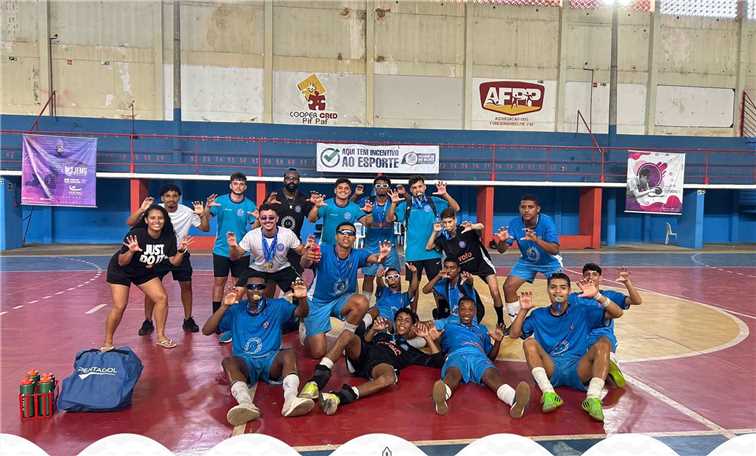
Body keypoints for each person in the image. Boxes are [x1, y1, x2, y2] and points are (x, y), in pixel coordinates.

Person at [508, 273, 624, 422]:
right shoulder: (538, 314)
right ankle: (549, 393)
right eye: (553, 287)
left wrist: (597, 296)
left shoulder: (581, 311)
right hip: (551, 367)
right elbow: (513, 334)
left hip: (579, 368)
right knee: (529, 343)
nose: (557, 291)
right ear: (548, 290)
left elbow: (618, 313)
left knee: (603, 343)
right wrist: (523, 311)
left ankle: (593, 398)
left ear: (569, 291)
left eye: (563, 288)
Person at [297, 222, 392, 399]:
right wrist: (306, 255)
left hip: (341, 299)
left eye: (350, 233)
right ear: (337, 236)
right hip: (318, 301)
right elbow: (305, 262)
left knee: (362, 302)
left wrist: (383, 257)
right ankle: (304, 324)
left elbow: (373, 258)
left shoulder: (357, 254)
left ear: (355, 238)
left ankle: (347, 339)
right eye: (343, 232)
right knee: (317, 352)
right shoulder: (323, 250)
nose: (346, 236)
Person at [201, 276, 314, 425]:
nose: (256, 290)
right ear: (245, 290)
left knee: (289, 354)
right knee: (228, 362)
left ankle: (291, 399)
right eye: (251, 287)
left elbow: (302, 313)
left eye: (260, 287)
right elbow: (207, 330)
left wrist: (302, 299)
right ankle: (245, 404)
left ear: (266, 289)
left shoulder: (277, 306)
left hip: (270, 359)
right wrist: (224, 306)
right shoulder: (236, 309)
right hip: (245, 362)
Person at [318, 309, 446, 415]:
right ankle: (318, 377)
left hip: (379, 366)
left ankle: (338, 397)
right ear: (395, 322)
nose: (402, 323)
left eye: (407, 321)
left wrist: (427, 337)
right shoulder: (383, 335)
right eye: (399, 319)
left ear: (413, 326)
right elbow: (365, 342)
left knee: (390, 377)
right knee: (348, 334)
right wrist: (373, 330)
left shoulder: (411, 352)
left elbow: (438, 362)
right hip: (362, 356)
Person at [103, 205, 192, 351]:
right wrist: (131, 251)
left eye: (160, 218)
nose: (156, 221)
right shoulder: (137, 234)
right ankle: (107, 343)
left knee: (161, 298)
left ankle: (161, 337)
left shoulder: (169, 237)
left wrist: (181, 250)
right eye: (153, 218)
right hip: (121, 270)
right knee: (120, 305)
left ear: (165, 220)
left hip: (143, 269)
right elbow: (121, 261)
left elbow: (174, 262)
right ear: (146, 220)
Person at [126, 185, 211, 335]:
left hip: (180, 252)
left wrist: (203, 214)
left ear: (178, 197)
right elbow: (131, 223)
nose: (171, 199)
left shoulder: (188, 212)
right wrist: (141, 209)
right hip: (157, 253)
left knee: (186, 286)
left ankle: (188, 319)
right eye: (168, 196)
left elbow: (205, 229)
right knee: (151, 290)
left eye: (174, 196)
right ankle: (148, 321)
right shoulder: (155, 211)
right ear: (163, 198)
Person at [430, 298, 531, 418]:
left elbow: (491, 356)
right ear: (458, 311)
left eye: (470, 309)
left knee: (491, 374)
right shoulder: (449, 326)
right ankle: (441, 399)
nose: (466, 312)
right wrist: (434, 339)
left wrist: (498, 342)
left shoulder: (482, 329)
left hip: (478, 356)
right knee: (453, 373)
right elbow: (439, 351)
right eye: (463, 309)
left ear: (475, 312)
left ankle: (515, 401)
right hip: (457, 354)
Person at [386, 176, 460, 308]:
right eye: (414, 188)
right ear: (411, 190)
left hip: (433, 252)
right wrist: (393, 203)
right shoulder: (405, 205)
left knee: (437, 286)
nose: (417, 190)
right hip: (413, 254)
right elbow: (389, 219)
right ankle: (413, 316)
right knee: (413, 287)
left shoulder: (435, 202)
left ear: (425, 187)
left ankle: (442, 312)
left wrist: (445, 194)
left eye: (420, 186)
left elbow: (456, 208)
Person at [427, 208, 505, 326]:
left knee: (494, 292)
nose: (447, 225)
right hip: (464, 268)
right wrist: (434, 232)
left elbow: (481, 226)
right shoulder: (443, 238)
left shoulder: (465, 229)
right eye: (445, 223)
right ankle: (446, 312)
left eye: (450, 222)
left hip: (481, 264)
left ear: (455, 220)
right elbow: (429, 247)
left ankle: (500, 321)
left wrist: (473, 226)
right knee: (451, 288)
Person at [493, 194, 562, 321]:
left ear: (538, 209)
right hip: (527, 261)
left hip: (550, 262)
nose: (526, 210)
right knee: (508, 287)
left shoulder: (547, 222)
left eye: (530, 207)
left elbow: (555, 250)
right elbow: (501, 250)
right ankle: (517, 323)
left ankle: (559, 320)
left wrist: (536, 240)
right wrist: (502, 241)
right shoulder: (515, 223)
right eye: (523, 207)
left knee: (557, 292)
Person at [574, 263, 642, 388]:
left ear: (600, 278)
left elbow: (637, 301)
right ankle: (604, 365)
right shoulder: (575, 297)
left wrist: (627, 283)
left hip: (602, 336)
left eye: (595, 274)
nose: (590, 277)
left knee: (603, 342)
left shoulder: (610, 296)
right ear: (582, 278)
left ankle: (610, 362)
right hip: (580, 337)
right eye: (587, 274)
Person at [209, 172, 257, 340]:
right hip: (221, 250)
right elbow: (207, 220)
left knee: (238, 285)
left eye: (241, 184)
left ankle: (235, 315)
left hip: (242, 251)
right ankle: (216, 316)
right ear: (230, 185)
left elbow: (255, 227)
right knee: (219, 284)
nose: (238, 187)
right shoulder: (220, 202)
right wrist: (206, 210)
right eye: (235, 184)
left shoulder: (250, 205)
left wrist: (258, 219)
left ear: (245, 186)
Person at [227, 204, 306, 295]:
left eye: (271, 218)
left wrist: (307, 248)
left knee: (300, 292)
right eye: (264, 218)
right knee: (236, 293)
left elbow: (301, 250)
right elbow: (234, 257)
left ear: (277, 219)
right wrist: (233, 247)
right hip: (258, 268)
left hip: (281, 268)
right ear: (259, 219)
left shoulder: (287, 234)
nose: (267, 220)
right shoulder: (251, 235)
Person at [350, 176, 401, 296]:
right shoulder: (367, 200)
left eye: (385, 185)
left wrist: (394, 204)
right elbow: (349, 206)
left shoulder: (395, 202)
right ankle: (365, 305)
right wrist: (356, 195)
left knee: (393, 276)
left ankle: (395, 304)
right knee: (368, 277)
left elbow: (389, 219)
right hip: (370, 246)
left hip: (389, 246)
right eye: (378, 185)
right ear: (374, 188)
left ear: (389, 188)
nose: (381, 188)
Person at [264, 168, 315, 274]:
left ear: (299, 181)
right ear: (284, 180)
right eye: (288, 178)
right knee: (270, 280)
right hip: (273, 243)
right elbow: (262, 216)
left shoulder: (303, 199)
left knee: (295, 278)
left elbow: (312, 219)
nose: (291, 181)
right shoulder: (274, 197)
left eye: (295, 179)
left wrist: (316, 206)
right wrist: (267, 205)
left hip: (294, 244)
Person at [307, 178, 371, 246]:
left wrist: (372, 212)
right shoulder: (326, 204)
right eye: (340, 188)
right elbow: (311, 220)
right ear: (335, 190)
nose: (343, 190)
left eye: (346, 188)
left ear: (350, 192)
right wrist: (316, 207)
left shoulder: (355, 207)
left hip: (346, 248)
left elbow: (367, 223)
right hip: (327, 247)